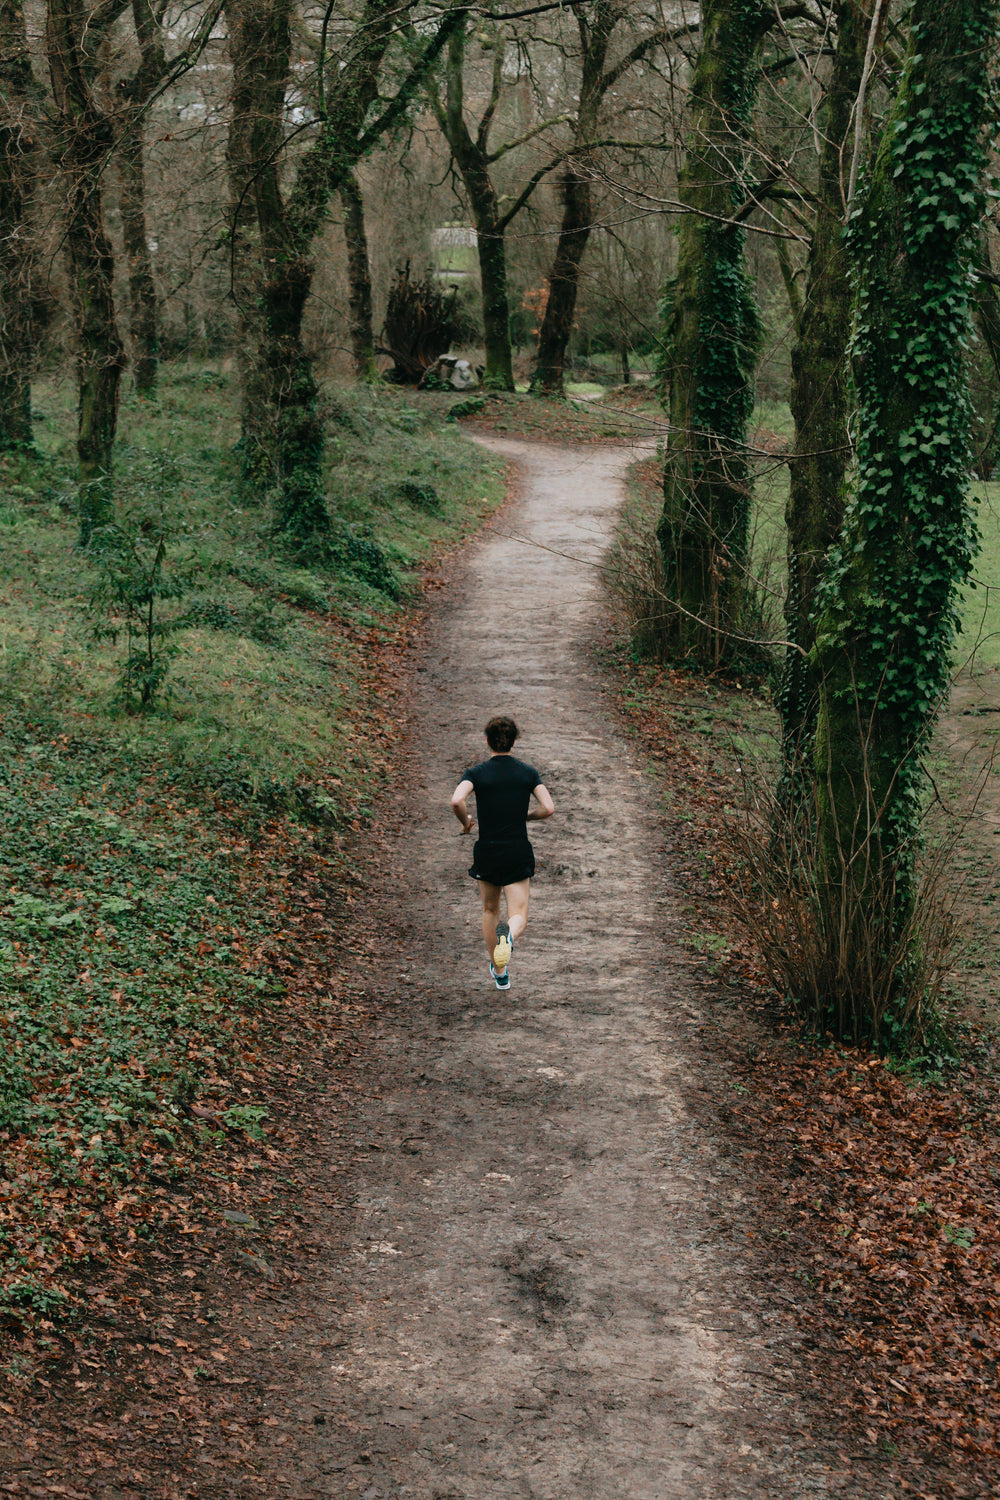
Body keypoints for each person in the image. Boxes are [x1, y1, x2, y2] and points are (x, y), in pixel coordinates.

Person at [450, 716, 555, 991]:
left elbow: (456, 800)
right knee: (517, 913)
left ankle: (500, 971)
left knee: (489, 909)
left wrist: (465, 823)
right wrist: (526, 817)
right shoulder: (527, 773)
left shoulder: (476, 773)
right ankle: (508, 935)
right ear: (514, 741)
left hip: (488, 849)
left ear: (487, 741)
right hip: (517, 848)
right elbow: (549, 807)